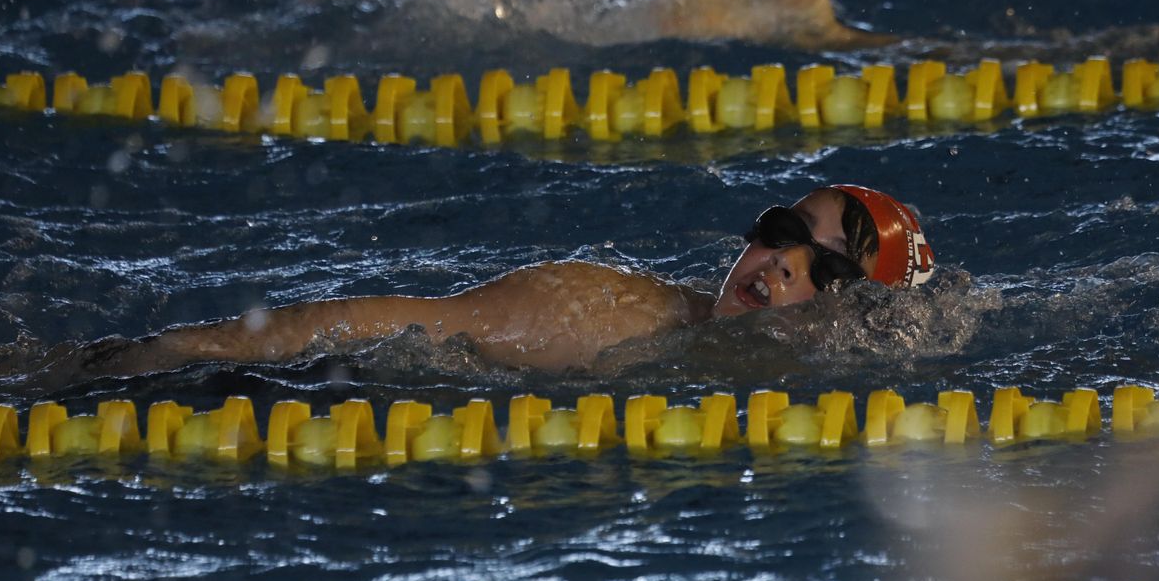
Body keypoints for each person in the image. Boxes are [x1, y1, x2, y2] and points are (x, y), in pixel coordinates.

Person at [60, 184, 936, 377]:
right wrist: (168, 351)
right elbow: (387, 321)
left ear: (854, 314)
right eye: (782, 233)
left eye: (820, 266)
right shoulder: (608, 312)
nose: (781, 260)